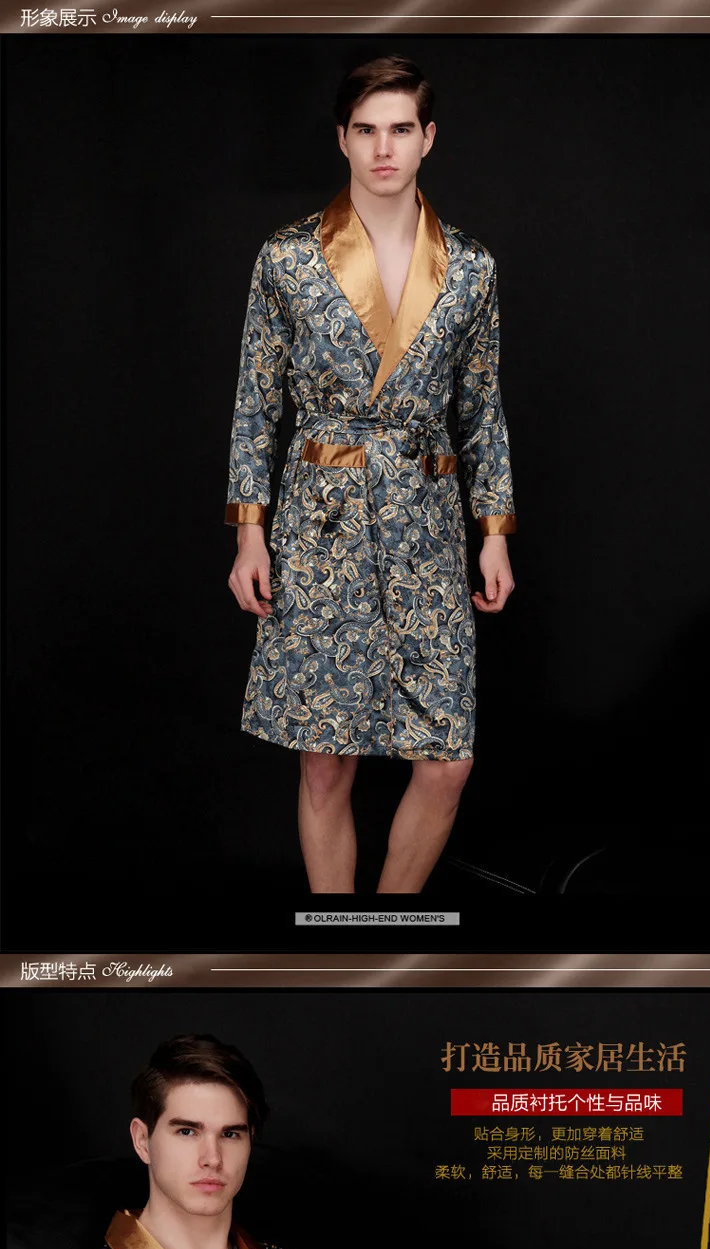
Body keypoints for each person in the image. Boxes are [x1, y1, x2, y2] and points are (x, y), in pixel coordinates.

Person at [226, 55, 517, 894]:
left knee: (447, 761)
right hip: (322, 523)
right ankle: (338, 936)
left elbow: (483, 407)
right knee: (325, 760)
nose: (383, 148)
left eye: (400, 129)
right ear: (343, 140)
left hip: (427, 523)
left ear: (428, 138)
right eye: (366, 130)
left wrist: (493, 531)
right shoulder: (287, 258)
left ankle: (387, 924)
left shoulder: (470, 267)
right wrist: (249, 532)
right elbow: (256, 403)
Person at [51, 1033, 390, 1249]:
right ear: (143, 1140)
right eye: (187, 1131)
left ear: (250, 1142)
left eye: (230, 1134)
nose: (212, 1158)